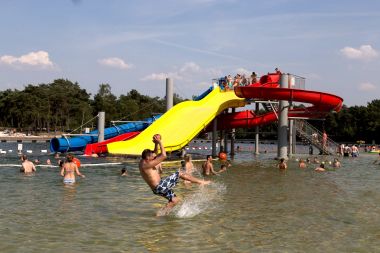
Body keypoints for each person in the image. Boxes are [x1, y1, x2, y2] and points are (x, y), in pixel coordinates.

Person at [139, 134, 210, 215]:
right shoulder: (146, 165)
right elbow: (164, 155)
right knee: (180, 173)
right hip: (160, 186)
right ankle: (201, 182)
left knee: (175, 200)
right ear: (148, 158)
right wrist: (160, 142)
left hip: (157, 189)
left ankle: (159, 215)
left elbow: (154, 153)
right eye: (152, 157)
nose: (154, 157)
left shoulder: (143, 161)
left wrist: (156, 143)